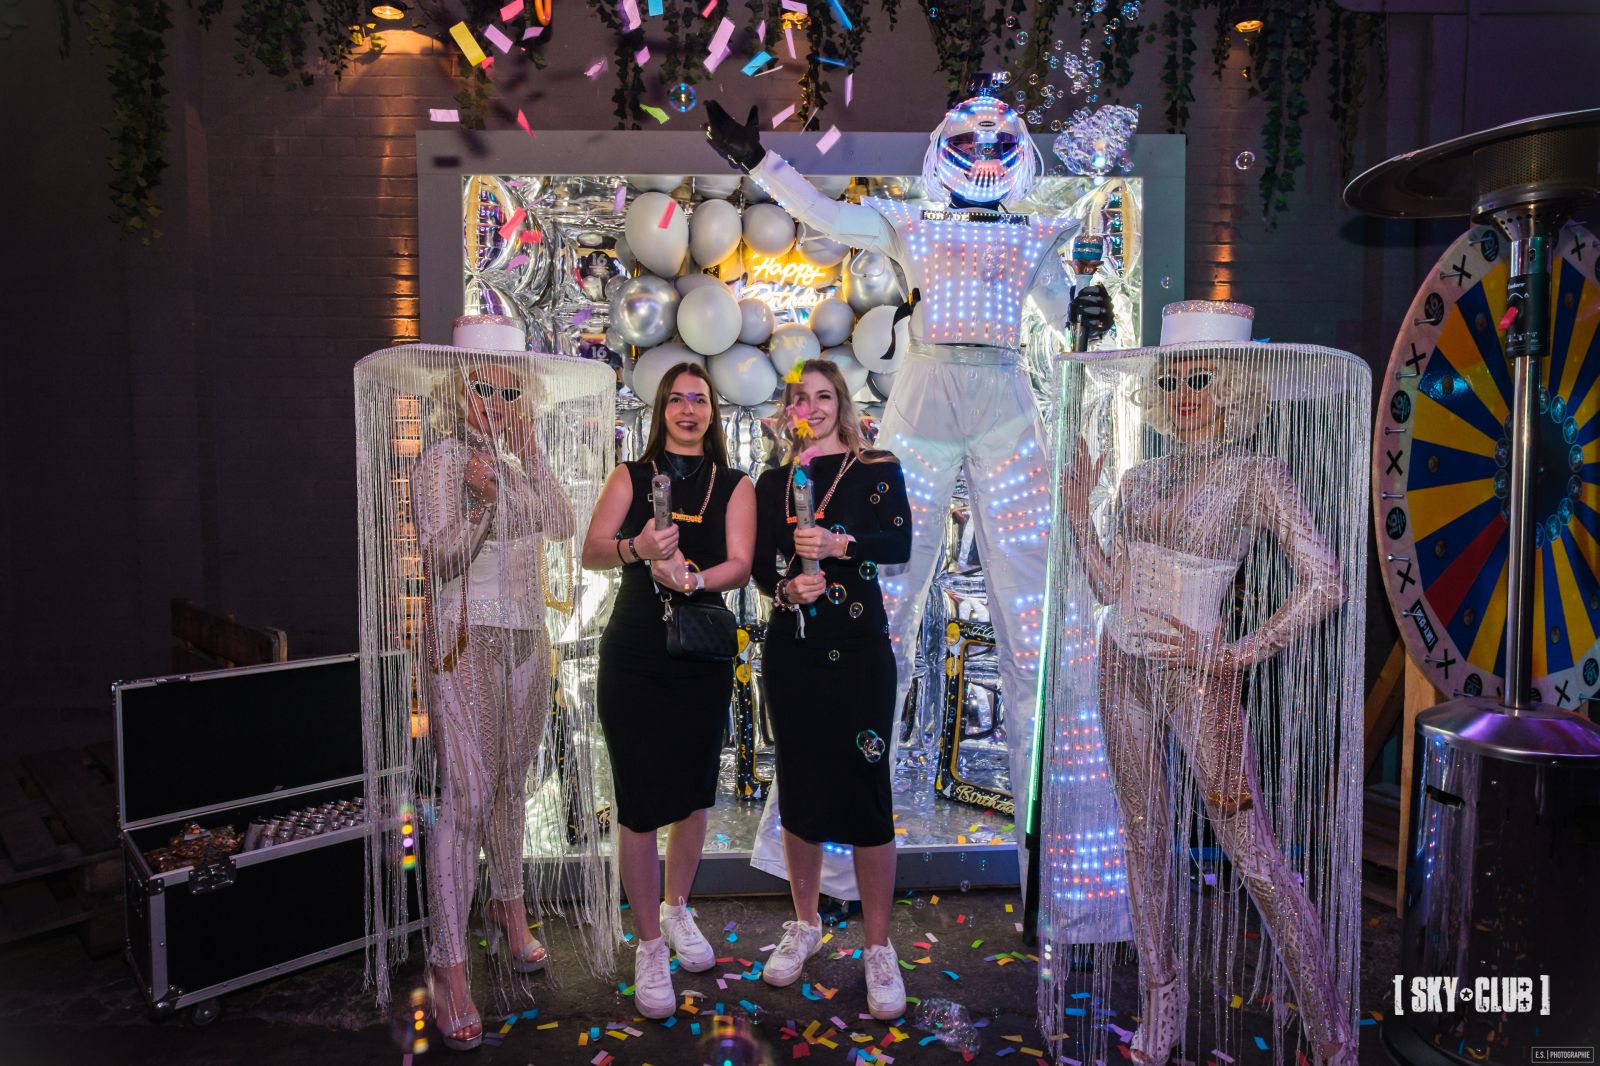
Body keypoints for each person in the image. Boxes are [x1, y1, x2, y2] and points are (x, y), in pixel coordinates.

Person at [704, 91, 1114, 899]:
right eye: (973, 140)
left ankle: (1069, 872)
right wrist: (761, 161)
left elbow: (1068, 316)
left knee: (1039, 620)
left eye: (998, 141)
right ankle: (824, 860)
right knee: (876, 608)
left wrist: (1086, 312)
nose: (986, 153)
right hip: (925, 399)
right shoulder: (911, 224)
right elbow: (826, 215)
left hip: (1002, 399)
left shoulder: (1033, 232)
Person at [1060, 306, 1354, 1065]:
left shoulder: (1257, 476)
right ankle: (1163, 1004)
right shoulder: (1138, 477)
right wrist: (1080, 520)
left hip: (1200, 681)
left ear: (1232, 389)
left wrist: (1238, 654)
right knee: (1143, 842)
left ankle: (1331, 1032)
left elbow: (1326, 582)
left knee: (1253, 855)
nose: (1185, 395)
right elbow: (1110, 588)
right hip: (1121, 668)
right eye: (1173, 382)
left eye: (1202, 379)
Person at [581, 363, 756, 1019]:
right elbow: (592, 550)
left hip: (701, 654)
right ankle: (649, 946)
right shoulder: (630, 476)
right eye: (677, 399)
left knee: (691, 793)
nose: (688, 409)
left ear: (712, 412)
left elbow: (741, 565)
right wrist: (640, 549)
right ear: (661, 410)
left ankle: (677, 909)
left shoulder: (734, 485)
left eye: (699, 399)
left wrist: (693, 579)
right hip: (634, 654)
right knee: (638, 803)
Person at [410, 361, 572, 1051]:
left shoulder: (512, 462)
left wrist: (529, 457)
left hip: (526, 637)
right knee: (467, 795)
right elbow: (439, 561)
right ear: (459, 391)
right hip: (463, 638)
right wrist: (479, 506)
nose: (497, 403)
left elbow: (562, 523)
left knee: (510, 782)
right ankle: (448, 967)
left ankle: (509, 909)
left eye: (509, 392)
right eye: (484, 388)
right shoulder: (442, 460)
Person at [750, 359, 913, 1019]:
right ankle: (806, 923)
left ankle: (877, 946)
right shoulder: (773, 481)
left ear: (841, 401)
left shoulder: (876, 467)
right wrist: (787, 588)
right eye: (800, 398)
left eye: (823, 396)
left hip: (862, 654)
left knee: (867, 794)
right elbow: (759, 566)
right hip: (794, 652)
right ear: (788, 410)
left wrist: (841, 544)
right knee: (800, 788)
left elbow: (898, 542)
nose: (812, 407)